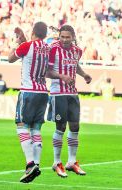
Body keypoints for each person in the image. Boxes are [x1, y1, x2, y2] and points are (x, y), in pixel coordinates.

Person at [46, 25, 92, 178]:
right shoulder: (53, 49)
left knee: (75, 126)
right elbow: (47, 71)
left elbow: (74, 65)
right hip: (58, 93)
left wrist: (84, 74)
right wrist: (62, 77)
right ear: (59, 36)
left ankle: (71, 162)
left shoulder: (77, 51)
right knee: (61, 126)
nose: (64, 40)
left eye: (67, 37)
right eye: (62, 37)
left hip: (72, 93)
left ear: (73, 37)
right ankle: (57, 162)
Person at [8, 22, 50, 183]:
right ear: (45, 34)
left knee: (22, 126)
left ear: (33, 32)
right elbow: (30, 46)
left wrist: (16, 42)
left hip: (28, 92)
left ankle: (30, 163)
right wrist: (22, 37)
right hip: (42, 92)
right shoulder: (47, 48)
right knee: (36, 129)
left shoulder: (26, 46)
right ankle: (36, 164)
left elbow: (10, 58)